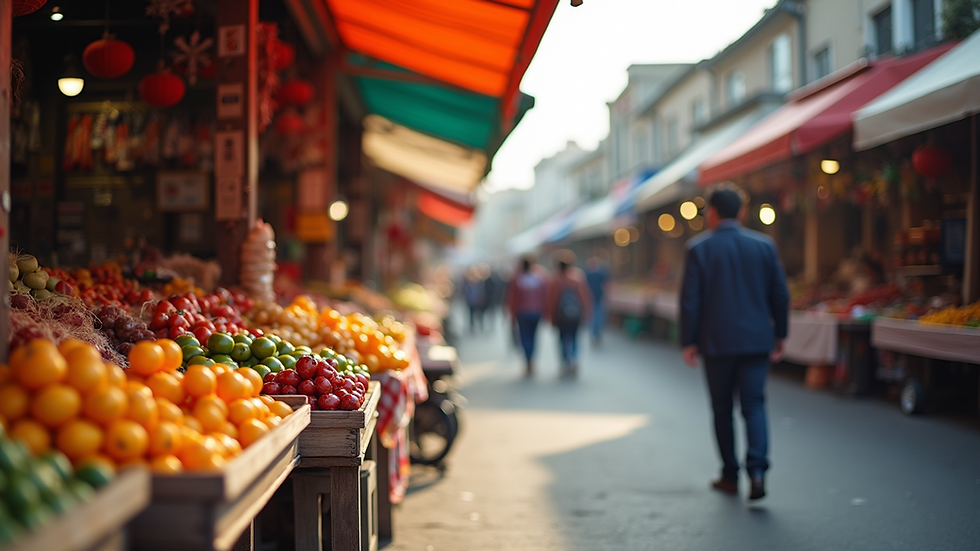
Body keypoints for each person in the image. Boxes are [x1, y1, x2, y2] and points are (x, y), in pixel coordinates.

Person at [679, 183, 789, 501]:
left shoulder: (699, 249)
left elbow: (690, 300)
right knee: (754, 405)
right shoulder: (764, 245)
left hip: (716, 342)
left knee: (722, 409)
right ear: (741, 212)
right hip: (757, 340)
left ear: (712, 212)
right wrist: (780, 333)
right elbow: (779, 294)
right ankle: (757, 471)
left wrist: (689, 340)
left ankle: (730, 474)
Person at [546, 250, 592, 378]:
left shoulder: (555, 279)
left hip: (561, 316)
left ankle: (565, 362)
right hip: (575, 315)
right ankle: (574, 359)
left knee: (562, 339)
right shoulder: (578, 276)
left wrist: (551, 315)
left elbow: (552, 300)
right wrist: (587, 312)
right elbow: (584, 296)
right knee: (575, 338)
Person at [505, 255, 549, 377]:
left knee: (525, 337)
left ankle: (528, 360)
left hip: (522, 313)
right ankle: (531, 359)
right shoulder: (540, 278)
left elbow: (512, 298)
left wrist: (511, 314)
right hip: (536, 312)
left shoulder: (517, 279)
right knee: (533, 337)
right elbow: (545, 296)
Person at [584, 252, 610, 345]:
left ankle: (595, 332)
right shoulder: (600, 272)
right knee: (598, 313)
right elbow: (606, 283)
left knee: (594, 314)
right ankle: (597, 332)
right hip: (597, 295)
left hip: (592, 295)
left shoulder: (588, 272)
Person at [461, 266, 488, 333]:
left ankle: (480, 327)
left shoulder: (479, 282)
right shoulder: (467, 282)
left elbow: (482, 291)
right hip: (470, 301)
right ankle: (472, 327)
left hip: (477, 301)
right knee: (471, 315)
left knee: (480, 315)